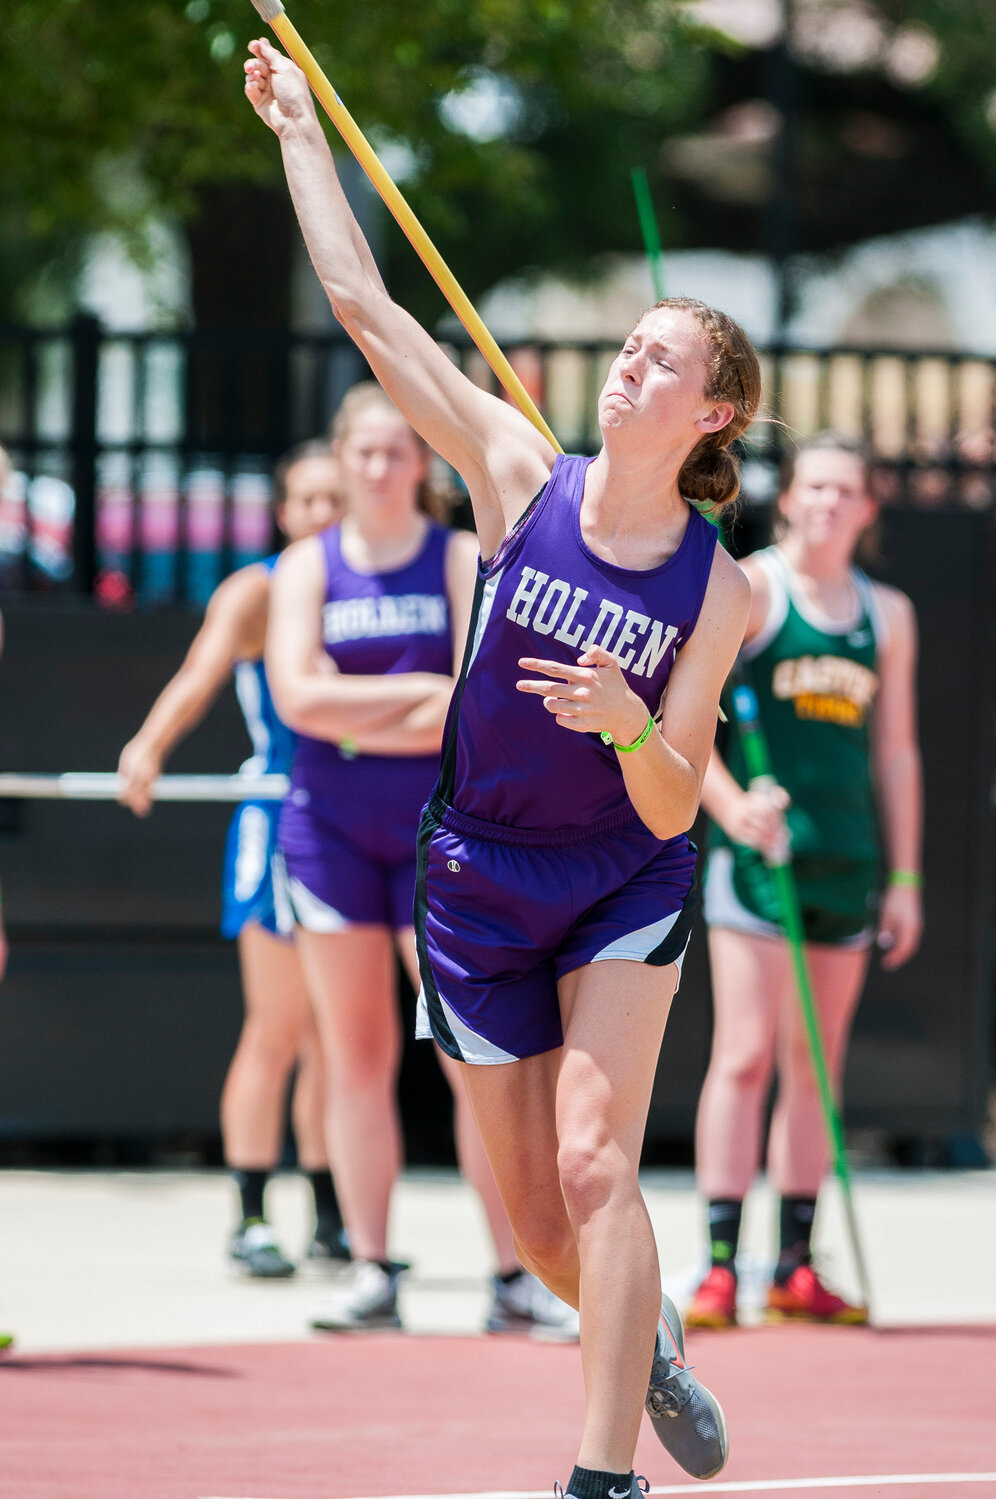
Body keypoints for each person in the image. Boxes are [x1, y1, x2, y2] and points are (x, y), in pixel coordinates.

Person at [246, 38, 758, 1487]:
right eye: (630, 341)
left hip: (622, 875)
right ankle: (641, 1332)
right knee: (539, 1219)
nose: (630, 360)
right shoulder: (518, 471)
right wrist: (299, 133)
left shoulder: (718, 593)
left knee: (600, 1159)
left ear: (712, 410)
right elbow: (366, 308)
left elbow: (673, 796)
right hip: (473, 870)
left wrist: (629, 719)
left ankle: (601, 1472)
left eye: (663, 355)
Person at [266, 380, 579, 1341]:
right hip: (328, 835)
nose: (377, 467)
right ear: (340, 457)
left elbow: (471, 700)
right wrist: (412, 696)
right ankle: (371, 1265)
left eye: (396, 450)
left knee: (467, 1056)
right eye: (361, 451)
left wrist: (370, 707)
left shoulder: (453, 557)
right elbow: (295, 698)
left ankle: (515, 1273)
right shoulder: (305, 567)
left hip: (437, 840)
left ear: (422, 461)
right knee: (355, 1056)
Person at [687, 433, 922, 1329]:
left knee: (813, 1067)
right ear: (788, 497)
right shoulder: (751, 587)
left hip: (846, 858)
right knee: (744, 1055)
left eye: (847, 490)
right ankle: (719, 1263)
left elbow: (896, 753)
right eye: (814, 485)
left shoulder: (886, 613)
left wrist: (904, 875)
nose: (828, 501)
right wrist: (733, 805)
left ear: (868, 509)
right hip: (761, 861)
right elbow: (686, 710)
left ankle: (794, 1262)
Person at [118, 442, 346, 1277]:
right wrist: (147, 746)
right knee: (280, 1025)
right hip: (281, 821)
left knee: (341, 1038)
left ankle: (332, 1215)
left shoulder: (373, 582)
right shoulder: (258, 589)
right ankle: (250, 1212)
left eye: (337, 498)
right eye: (310, 500)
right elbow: (197, 675)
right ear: (285, 512)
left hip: (362, 825)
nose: (325, 513)